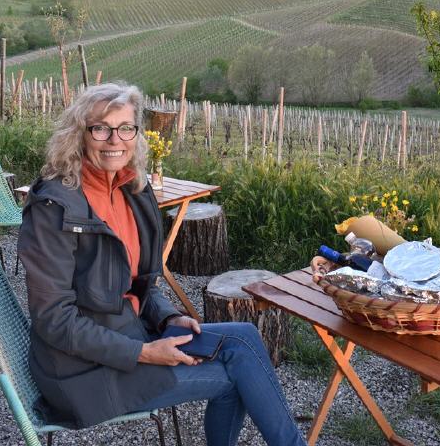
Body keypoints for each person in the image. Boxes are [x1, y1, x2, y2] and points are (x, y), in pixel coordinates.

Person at [18, 82, 306, 446]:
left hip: (131, 331)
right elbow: (53, 320)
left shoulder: (130, 190)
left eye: (125, 128)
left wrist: (167, 318)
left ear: (136, 133)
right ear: (79, 135)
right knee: (237, 377)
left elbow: (140, 284)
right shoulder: (54, 207)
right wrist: (143, 353)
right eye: (101, 129)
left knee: (245, 339)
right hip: (84, 371)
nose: (114, 140)